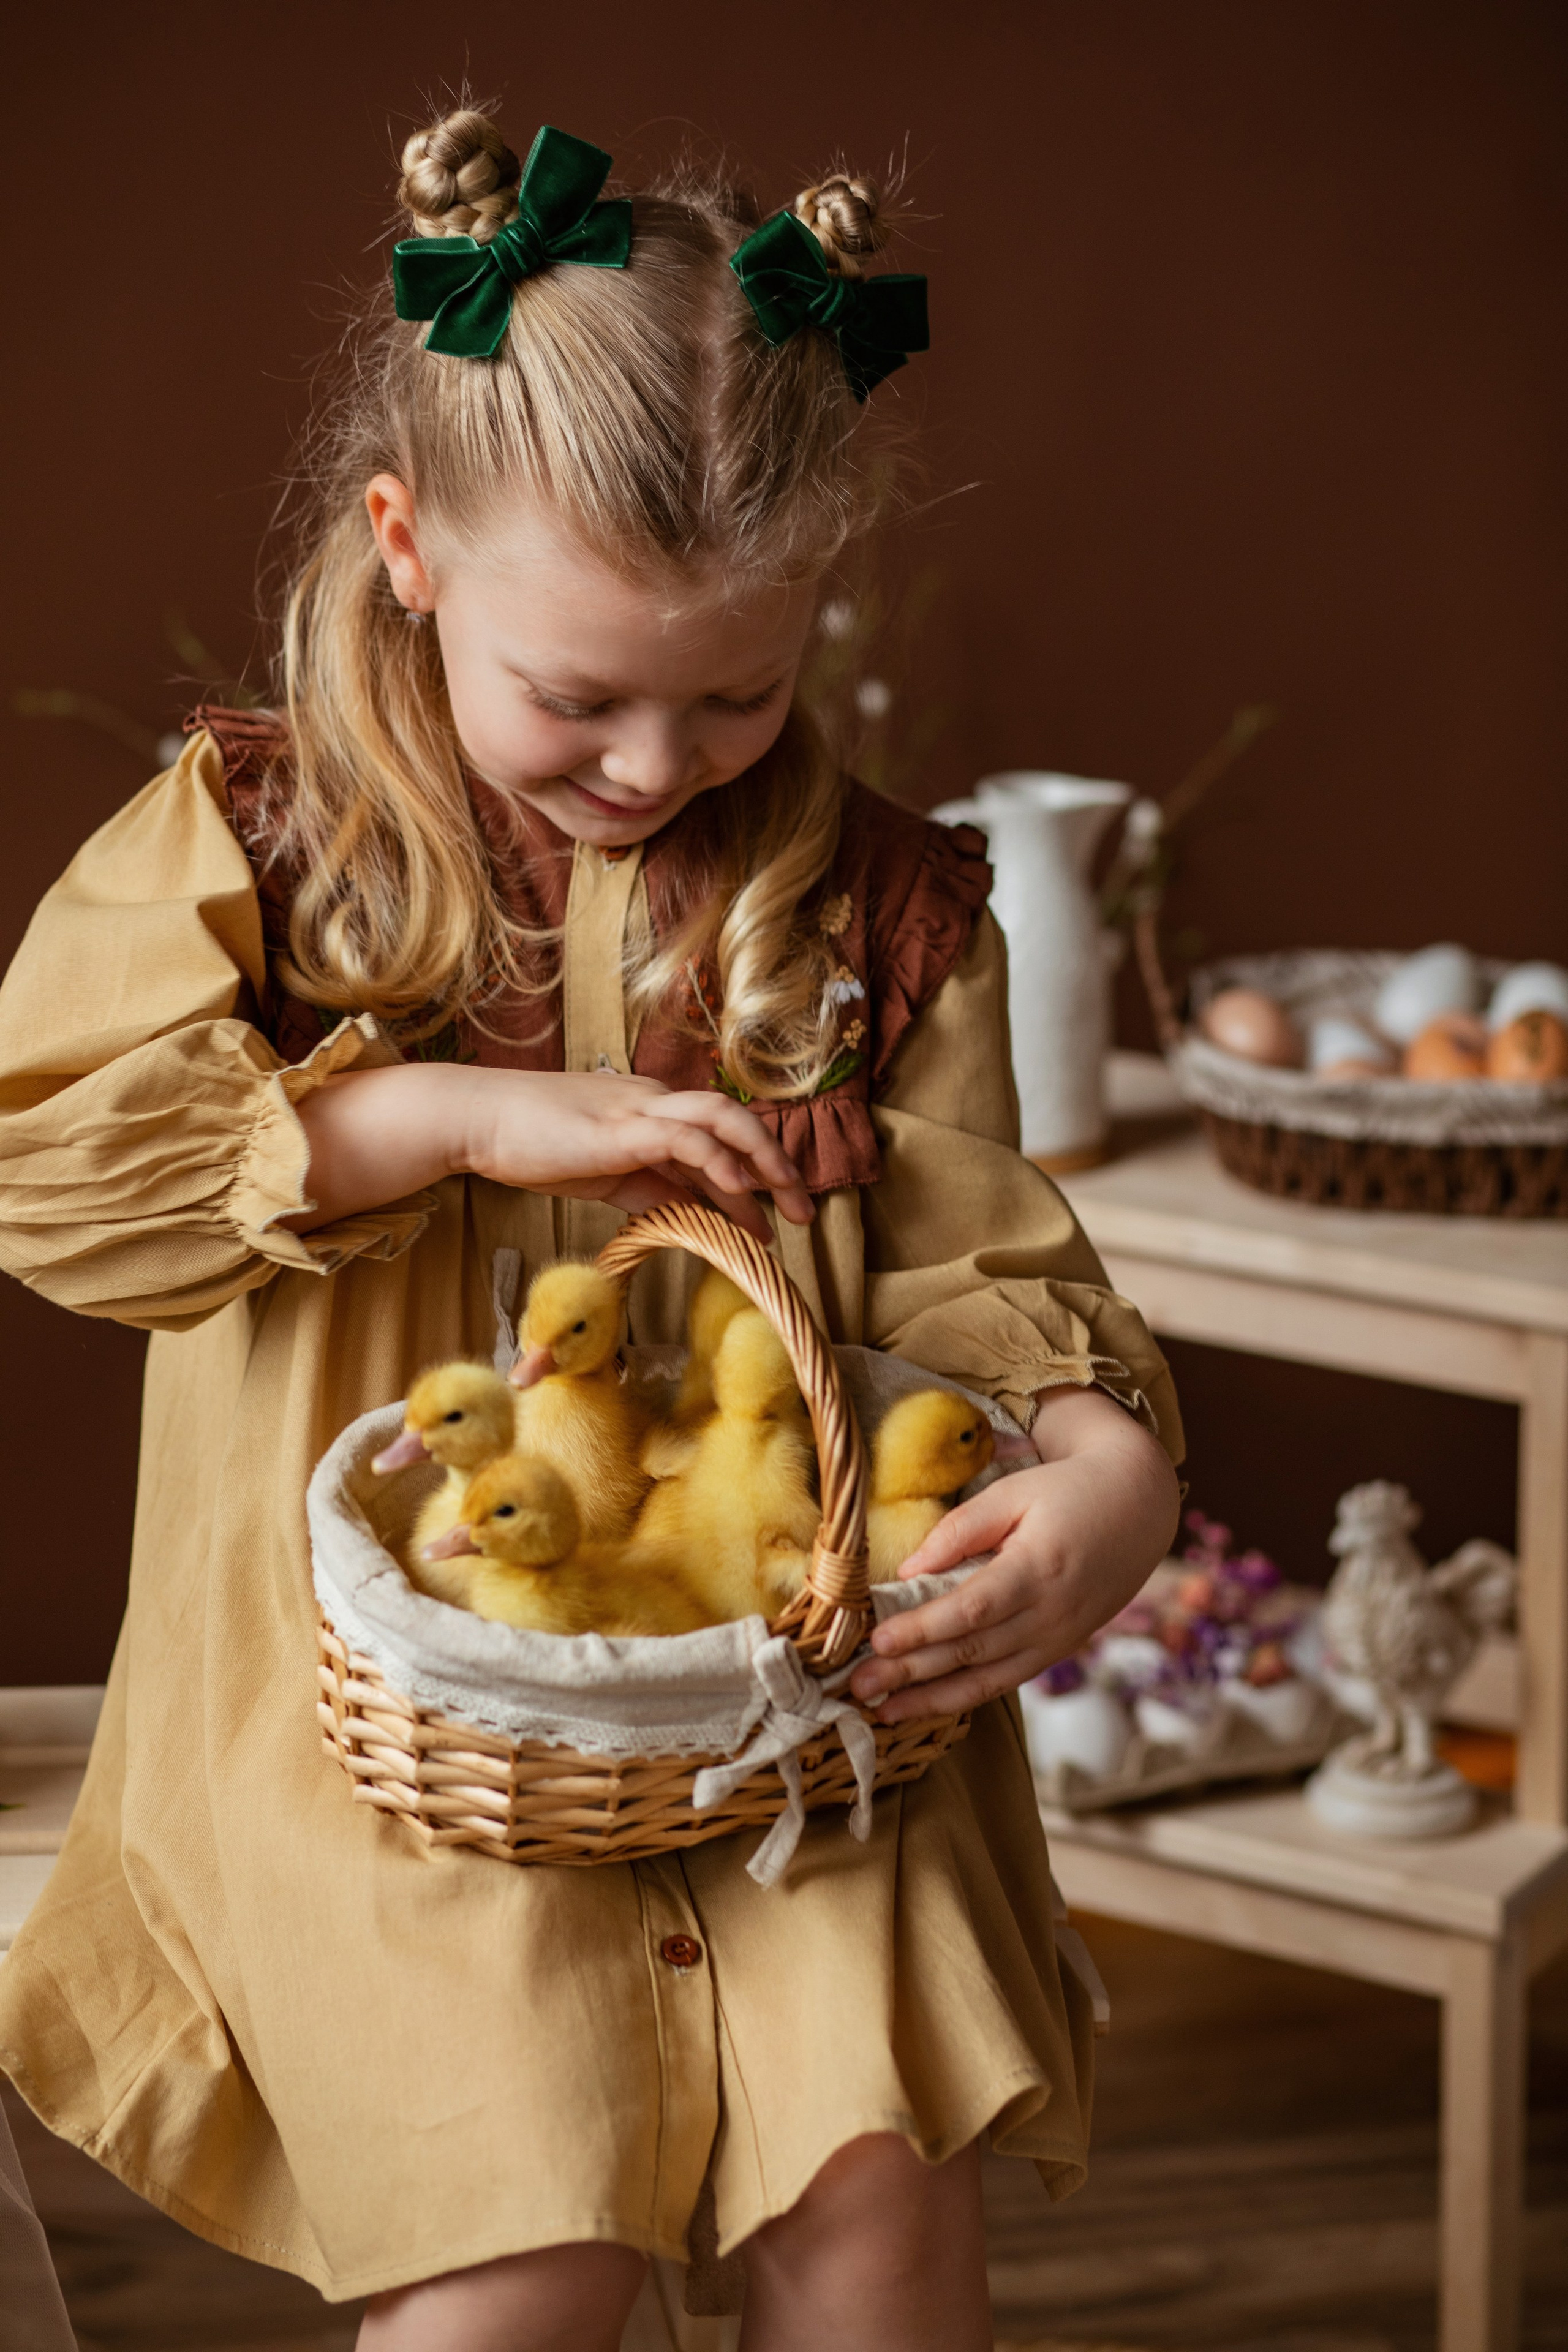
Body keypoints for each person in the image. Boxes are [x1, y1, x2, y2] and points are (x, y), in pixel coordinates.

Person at [0, 107, 1182, 2352]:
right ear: (407, 547)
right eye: (579, 697)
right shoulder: (265, 847)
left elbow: (984, 1286)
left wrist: (1109, 1476)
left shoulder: (881, 912)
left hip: (784, 1688)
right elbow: (52, 1173)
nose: (653, 765)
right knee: (518, 2256)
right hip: (394, 1722)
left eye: (738, 693)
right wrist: (441, 1116)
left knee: (876, 2201)